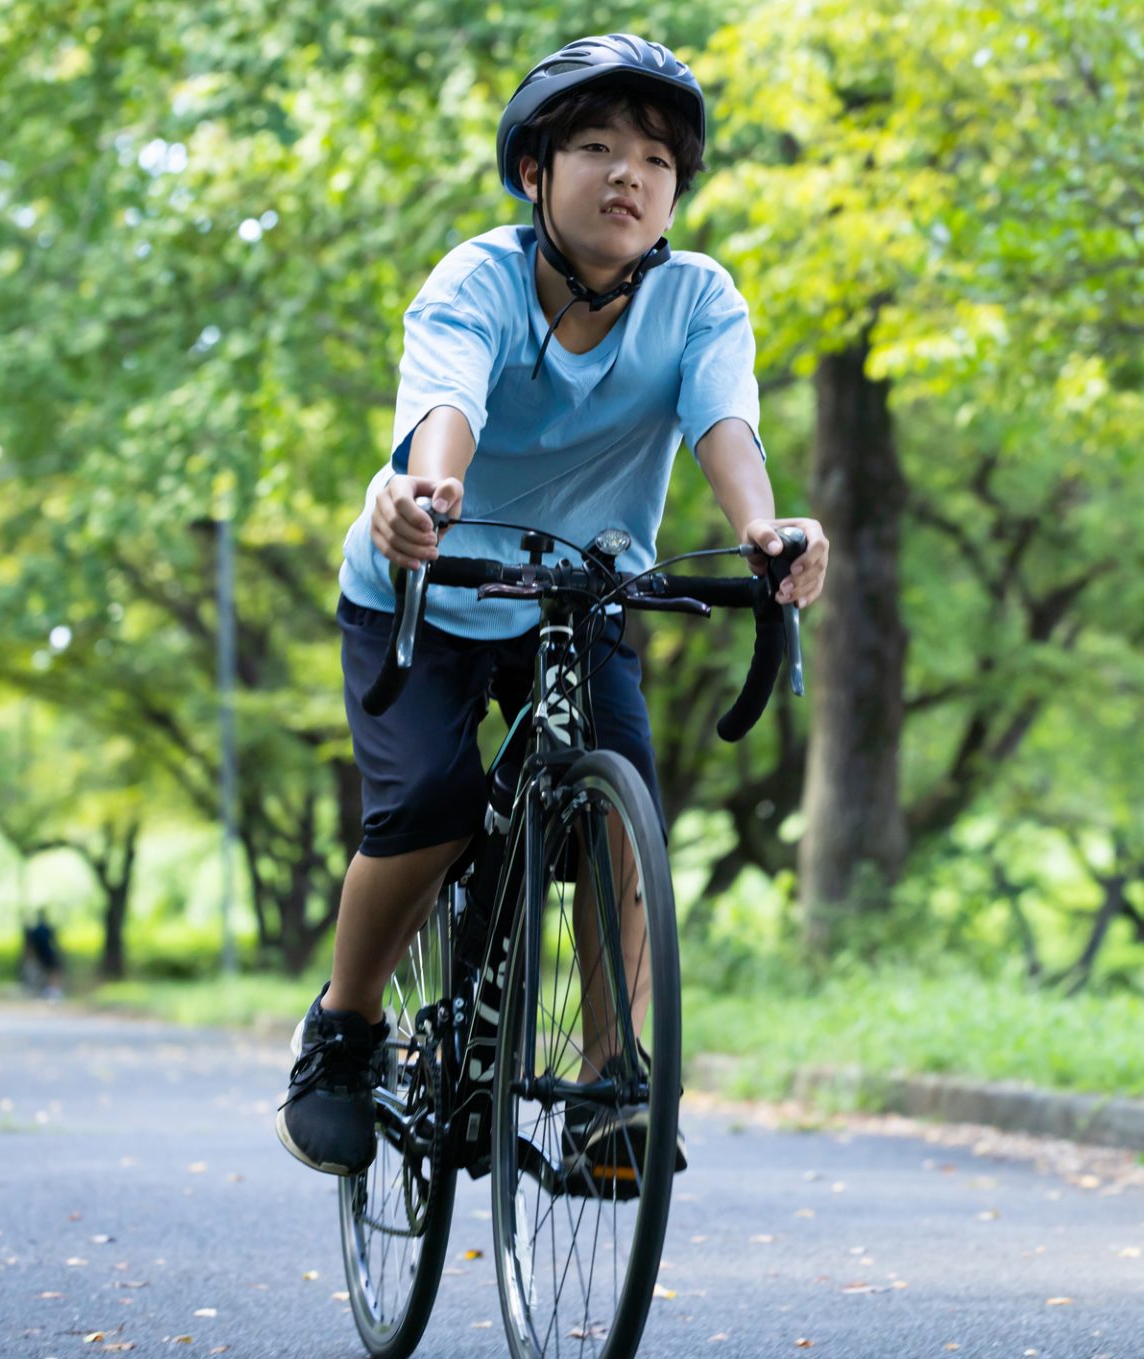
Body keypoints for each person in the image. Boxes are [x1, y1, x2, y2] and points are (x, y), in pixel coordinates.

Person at [276, 33, 830, 1178]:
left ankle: (613, 1077)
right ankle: (346, 1031)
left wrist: (769, 533)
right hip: (429, 579)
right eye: (595, 147)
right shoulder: (475, 279)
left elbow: (726, 426)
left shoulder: (698, 300)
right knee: (431, 800)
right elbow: (448, 402)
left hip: (581, 591)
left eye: (656, 161)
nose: (629, 175)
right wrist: (428, 495)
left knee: (616, 816)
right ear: (536, 171)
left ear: (677, 193)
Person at [22, 909, 64, 999]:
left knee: (46, 972)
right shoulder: (47, 928)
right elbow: (55, 942)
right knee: (53, 971)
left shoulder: (35, 930)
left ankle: (49, 990)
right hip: (48, 953)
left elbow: (30, 945)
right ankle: (52, 990)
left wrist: (29, 956)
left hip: (39, 954)